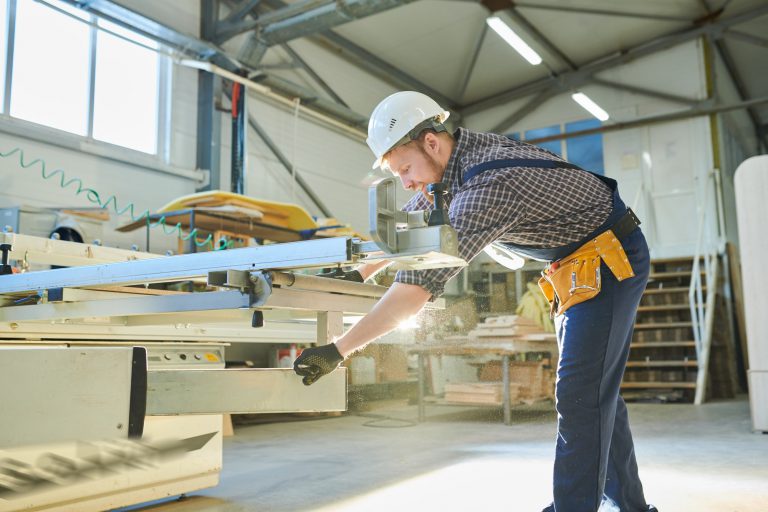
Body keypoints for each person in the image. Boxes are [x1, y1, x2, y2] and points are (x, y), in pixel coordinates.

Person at [294, 91, 657, 512]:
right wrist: (361, 270)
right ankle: (631, 508)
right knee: (594, 389)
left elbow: (413, 292)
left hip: (609, 260)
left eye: (406, 169)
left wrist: (337, 350)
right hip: (574, 263)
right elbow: (408, 224)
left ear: (431, 142)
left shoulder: (488, 186)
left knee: (580, 393)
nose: (407, 182)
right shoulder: (455, 158)